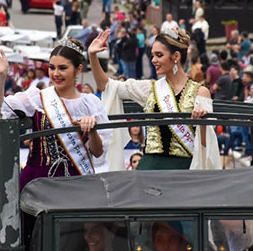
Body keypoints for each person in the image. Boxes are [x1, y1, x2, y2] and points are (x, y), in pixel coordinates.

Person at [88, 28, 219, 171]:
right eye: (153, 55)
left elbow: (207, 145)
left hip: (184, 170)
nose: (153, 60)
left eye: (159, 55)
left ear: (176, 56)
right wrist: (93, 56)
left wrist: (203, 123)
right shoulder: (150, 88)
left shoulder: (201, 92)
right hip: (150, 167)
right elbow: (106, 85)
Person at [0, 40, 109, 190]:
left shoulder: (91, 103)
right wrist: (1, 75)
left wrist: (92, 131)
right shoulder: (37, 98)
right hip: (38, 180)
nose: (56, 74)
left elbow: (97, 153)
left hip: (77, 180)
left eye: (62, 68)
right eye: (52, 68)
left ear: (78, 69)